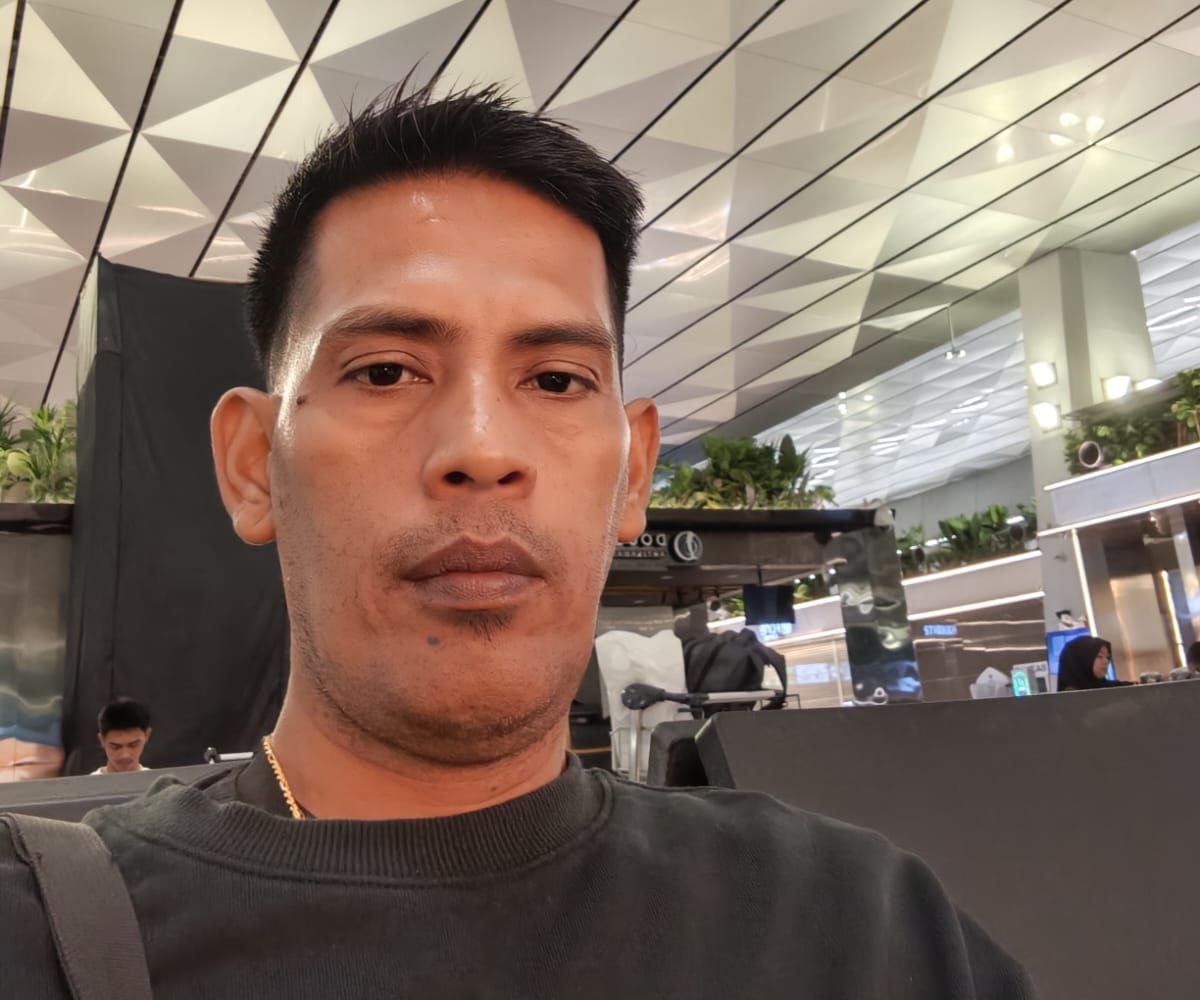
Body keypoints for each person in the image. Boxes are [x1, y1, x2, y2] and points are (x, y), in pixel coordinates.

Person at [0, 82, 1033, 998]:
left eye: (556, 379)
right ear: (252, 464)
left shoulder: (861, 931)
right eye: (385, 371)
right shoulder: (46, 935)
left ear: (633, 471)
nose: (483, 450)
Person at [91, 698, 152, 774]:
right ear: (102, 740)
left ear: (147, 735)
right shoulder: (84, 782)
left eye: (133, 745)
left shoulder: (157, 780)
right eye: (115, 746)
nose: (125, 755)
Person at [1056, 635, 1131, 691]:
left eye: (1107, 657)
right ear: (1083, 660)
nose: (1106, 661)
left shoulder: (1107, 689)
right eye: (1099, 656)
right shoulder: (1070, 699)